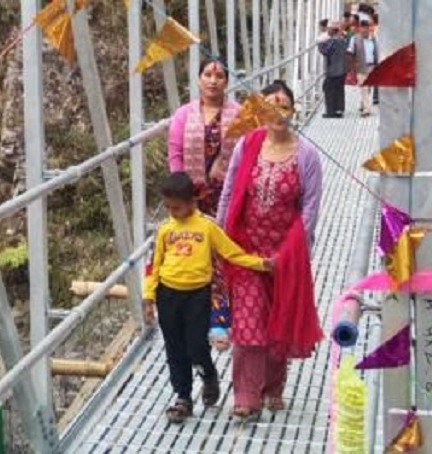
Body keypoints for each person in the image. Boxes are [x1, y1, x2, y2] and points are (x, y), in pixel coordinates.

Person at [216, 81, 324, 420]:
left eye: (284, 106)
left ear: (293, 111)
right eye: (270, 106)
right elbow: (230, 192)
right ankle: (246, 396)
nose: (278, 112)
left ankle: (273, 386)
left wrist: (287, 255)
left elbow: (309, 210)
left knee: (279, 322)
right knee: (248, 323)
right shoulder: (246, 145)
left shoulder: (307, 156)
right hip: (247, 251)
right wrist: (221, 239)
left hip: (284, 255)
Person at [143, 172, 273, 424]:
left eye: (176, 208)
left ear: (192, 202)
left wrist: (260, 264)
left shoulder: (207, 227)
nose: (172, 212)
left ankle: (208, 375)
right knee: (174, 348)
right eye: (167, 207)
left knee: (196, 346)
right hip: (167, 295)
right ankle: (183, 397)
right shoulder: (165, 229)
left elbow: (231, 252)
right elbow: (153, 266)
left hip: (197, 295)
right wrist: (148, 299)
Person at [168, 57, 240, 217]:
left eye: (219, 76)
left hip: (229, 191)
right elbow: (175, 154)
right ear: (199, 80)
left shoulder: (240, 114)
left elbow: (248, 151)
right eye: (207, 75)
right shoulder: (184, 114)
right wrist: (179, 190)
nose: (213, 81)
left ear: (226, 82)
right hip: (191, 193)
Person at [347, 20, 379, 116]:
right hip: (360, 66)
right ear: (359, 28)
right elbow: (350, 52)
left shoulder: (373, 39)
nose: (364, 30)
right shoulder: (354, 39)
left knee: (368, 88)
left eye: (366, 28)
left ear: (369, 28)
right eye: (362, 28)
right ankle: (366, 109)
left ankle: (363, 103)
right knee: (363, 87)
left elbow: (376, 52)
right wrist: (351, 67)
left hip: (371, 66)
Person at [319, 22, 348, 118]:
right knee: (339, 90)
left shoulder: (332, 41)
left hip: (333, 70)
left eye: (328, 29)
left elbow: (326, 51)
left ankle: (331, 112)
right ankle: (339, 110)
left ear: (332, 30)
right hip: (342, 69)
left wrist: (320, 43)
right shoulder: (343, 40)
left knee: (329, 90)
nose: (327, 31)